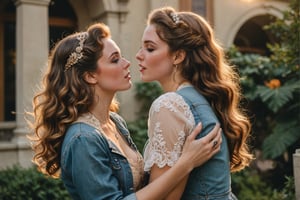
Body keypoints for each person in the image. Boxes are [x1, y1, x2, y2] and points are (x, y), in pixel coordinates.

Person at [27, 22, 223, 200]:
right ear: (90, 75)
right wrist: (185, 164)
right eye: (115, 60)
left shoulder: (114, 122)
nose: (127, 63)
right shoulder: (82, 138)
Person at [136, 6, 254, 200]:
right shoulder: (203, 99)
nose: (139, 55)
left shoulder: (170, 105)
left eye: (150, 48)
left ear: (178, 56)